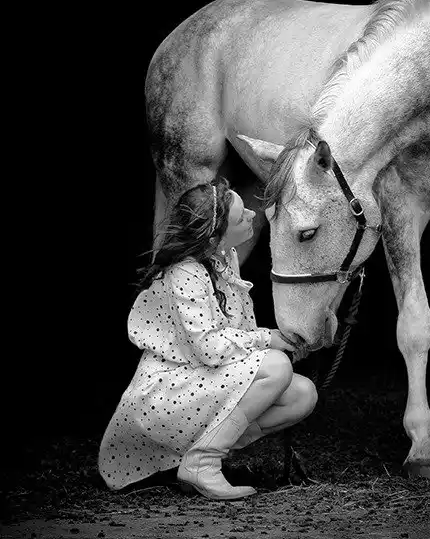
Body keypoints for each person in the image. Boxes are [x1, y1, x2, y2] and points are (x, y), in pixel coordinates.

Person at [98, 178, 318, 500]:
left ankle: (197, 456)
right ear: (214, 236)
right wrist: (266, 341)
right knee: (276, 367)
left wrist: (275, 339)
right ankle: (203, 462)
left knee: (302, 394)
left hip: (201, 381)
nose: (252, 215)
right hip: (169, 391)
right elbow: (210, 348)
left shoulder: (223, 259)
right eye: (241, 216)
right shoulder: (185, 273)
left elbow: (232, 335)